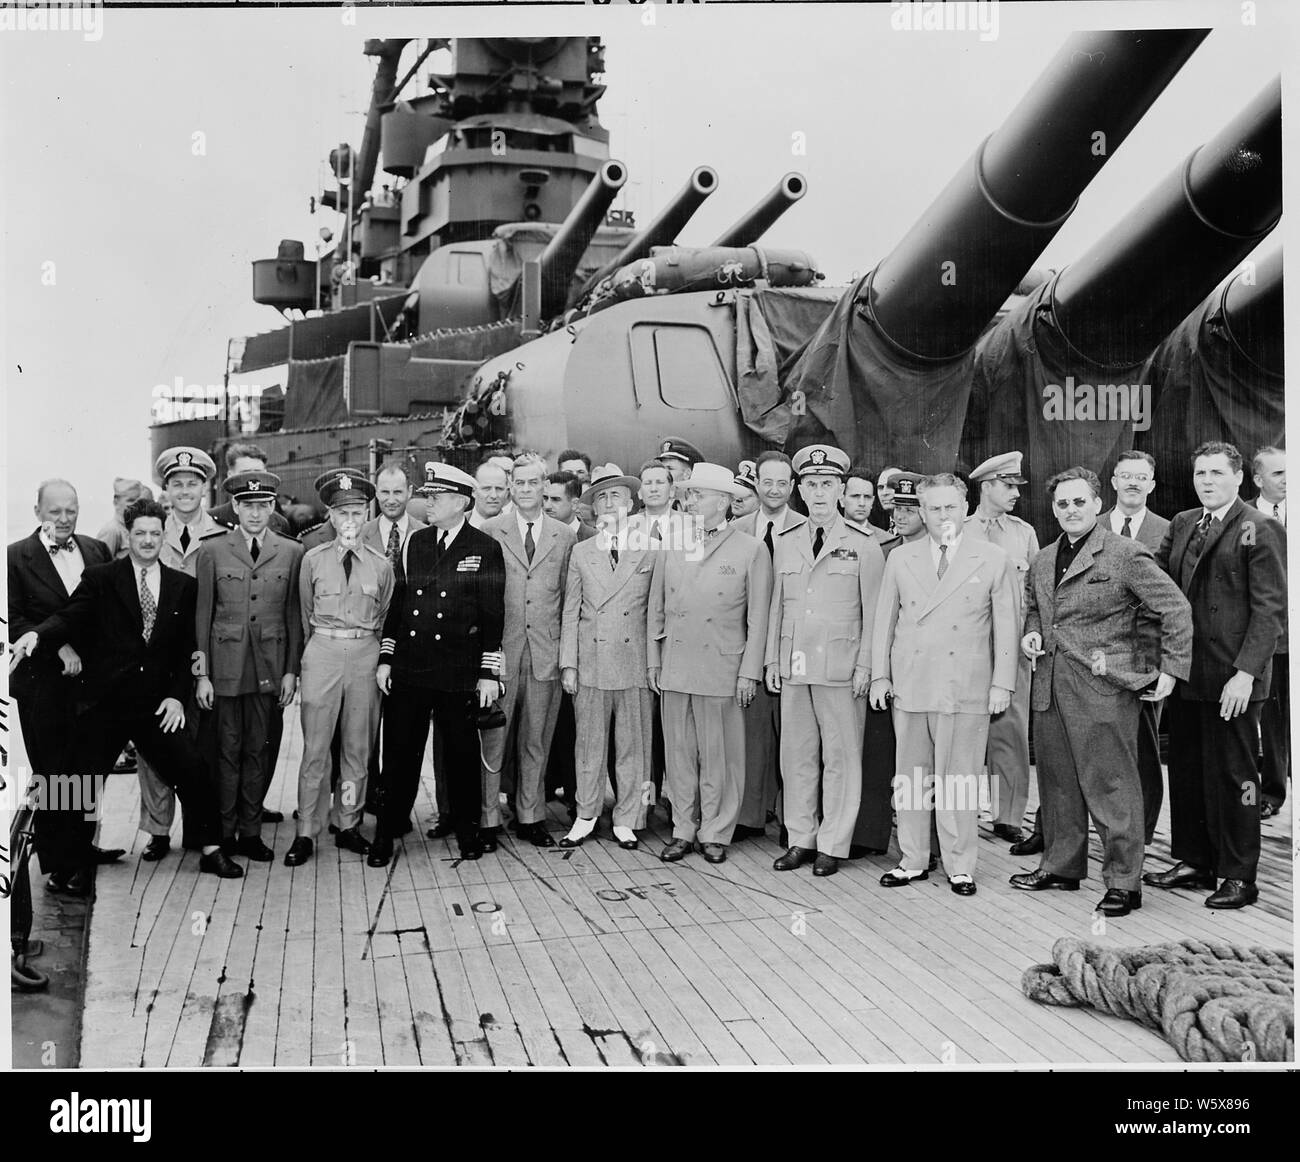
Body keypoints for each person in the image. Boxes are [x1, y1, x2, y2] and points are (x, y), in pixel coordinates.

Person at [11, 498, 242, 883]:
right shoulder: (102, 578)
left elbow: (187, 648)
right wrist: (37, 634)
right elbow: (70, 617)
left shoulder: (182, 586)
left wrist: (175, 696)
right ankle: (72, 864)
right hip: (106, 703)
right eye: (140, 534)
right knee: (79, 781)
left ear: (163, 534)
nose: (148, 541)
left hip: (155, 704)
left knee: (193, 769)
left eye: (155, 533)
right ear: (129, 536)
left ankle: (211, 848)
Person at [1010, 468, 1192, 916]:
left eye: (1078, 502)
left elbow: (1175, 609)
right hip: (1050, 688)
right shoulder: (1044, 558)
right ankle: (1061, 867)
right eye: (1061, 504)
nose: (1070, 510)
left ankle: (1124, 883)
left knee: (1113, 787)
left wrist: (1168, 670)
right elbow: (1037, 610)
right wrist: (1031, 634)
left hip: (1103, 688)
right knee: (1057, 785)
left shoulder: (1126, 554)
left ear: (1097, 504)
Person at [1145, 442, 1286, 909]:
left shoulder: (1261, 528)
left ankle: (1239, 874)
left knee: (1236, 777)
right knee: (1186, 771)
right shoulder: (1184, 523)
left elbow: (1270, 611)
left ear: (1239, 476)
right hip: (1188, 673)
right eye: (1200, 473)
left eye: (1216, 473)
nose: (1207, 481)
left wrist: (1246, 674)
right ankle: (1194, 859)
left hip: (1233, 679)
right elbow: (1159, 585)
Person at [871, 473, 1016, 897]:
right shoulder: (902, 558)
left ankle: (959, 864)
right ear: (922, 512)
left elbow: (1007, 627)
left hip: (965, 685)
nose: (942, 516)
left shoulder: (991, 558)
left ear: (965, 508)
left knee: (959, 779)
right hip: (912, 683)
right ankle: (912, 859)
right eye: (933, 508)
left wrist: (1002, 683)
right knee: (911, 777)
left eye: (950, 507)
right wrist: (881, 674)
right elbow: (885, 621)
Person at [371, 463, 506, 865]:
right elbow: (400, 603)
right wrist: (387, 658)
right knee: (398, 754)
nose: (428, 503)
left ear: (461, 502)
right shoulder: (416, 543)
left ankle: (468, 830)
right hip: (412, 668)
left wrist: (488, 673)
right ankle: (386, 831)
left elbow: (492, 616)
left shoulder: (484, 547)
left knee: (461, 757)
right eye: (428, 496)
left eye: (437, 497)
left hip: (458, 670)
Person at [765, 445, 884, 877]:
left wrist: (867, 668)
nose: (819, 493)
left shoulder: (863, 545)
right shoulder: (786, 541)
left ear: (840, 490)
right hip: (795, 666)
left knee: (840, 758)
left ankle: (833, 842)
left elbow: (874, 614)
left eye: (827, 484)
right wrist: (771, 662)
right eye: (811, 484)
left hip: (841, 667)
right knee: (795, 756)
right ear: (799, 489)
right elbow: (779, 605)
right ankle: (801, 838)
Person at [649, 464, 772, 863]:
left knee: (720, 755)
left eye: (699, 494)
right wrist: (654, 662)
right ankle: (683, 828)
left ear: (724, 502)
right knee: (680, 754)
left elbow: (758, 620)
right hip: (677, 664)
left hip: (721, 668)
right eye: (690, 494)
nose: (691, 500)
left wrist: (750, 671)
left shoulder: (750, 549)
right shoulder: (673, 542)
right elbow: (657, 609)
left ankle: (716, 830)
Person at [8, 480, 116, 895]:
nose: (65, 518)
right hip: (42, 685)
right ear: (38, 511)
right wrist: (58, 646)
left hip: (91, 683)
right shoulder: (15, 557)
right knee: (52, 773)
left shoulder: (94, 549)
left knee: (87, 768)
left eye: (71, 510)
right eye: (56, 512)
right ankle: (57, 866)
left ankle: (82, 849)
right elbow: (13, 619)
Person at [284, 471, 394, 866]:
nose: (350, 520)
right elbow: (304, 613)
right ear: (330, 516)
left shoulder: (381, 566)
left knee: (357, 749)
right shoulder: (311, 560)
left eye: (358, 512)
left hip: (364, 654)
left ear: (368, 514)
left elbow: (382, 618)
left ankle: (348, 823)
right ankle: (306, 832)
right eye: (342, 512)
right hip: (323, 652)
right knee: (315, 750)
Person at [194, 471, 304, 861]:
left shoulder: (291, 551)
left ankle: (251, 832)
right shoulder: (212, 550)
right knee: (227, 749)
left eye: (263, 505)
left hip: (270, 667)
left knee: (259, 748)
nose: (255, 514)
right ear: (235, 508)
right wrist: (202, 674)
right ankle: (224, 832)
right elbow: (202, 617)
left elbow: (294, 617)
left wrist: (291, 671)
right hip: (225, 667)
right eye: (248, 506)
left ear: (273, 507)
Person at [480, 452, 575, 849]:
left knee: (536, 738)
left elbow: (570, 601)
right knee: (494, 740)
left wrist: (565, 657)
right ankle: (487, 818)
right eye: (517, 483)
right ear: (509, 489)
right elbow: (481, 601)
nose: (525, 489)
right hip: (502, 653)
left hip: (545, 654)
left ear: (544, 487)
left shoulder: (564, 535)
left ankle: (530, 815)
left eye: (533, 483)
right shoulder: (490, 530)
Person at [558, 465, 657, 849]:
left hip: (633, 662)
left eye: (617, 496)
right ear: (593, 510)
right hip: (591, 662)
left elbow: (656, 609)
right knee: (589, 744)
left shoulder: (651, 546)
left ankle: (628, 818)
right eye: (602, 497)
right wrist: (569, 663)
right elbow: (570, 610)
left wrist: (654, 664)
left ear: (631, 505)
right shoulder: (581, 551)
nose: (610, 502)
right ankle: (586, 814)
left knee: (634, 745)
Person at [140, 445, 227, 860]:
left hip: (204, 651)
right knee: (155, 746)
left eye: (193, 483)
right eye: (177, 484)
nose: (185, 491)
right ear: (166, 490)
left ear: (205, 488)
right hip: (160, 654)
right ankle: (157, 831)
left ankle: (199, 829)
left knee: (200, 745)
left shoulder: (221, 535)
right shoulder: (152, 533)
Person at [963, 452, 1038, 845]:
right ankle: (957, 812)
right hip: (967, 647)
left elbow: (1035, 592)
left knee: (1010, 728)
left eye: (1017, 487)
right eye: (1008, 486)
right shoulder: (957, 529)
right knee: (962, 731)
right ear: (986, 486)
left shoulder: (1023, 533)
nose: (1015, 494)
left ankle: (1008, 815)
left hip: (1011, 646)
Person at [732, 450, 801, 841]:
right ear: (756, 484)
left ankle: (792, 820)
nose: (774, 490)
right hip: (749, 643)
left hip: (792, 644)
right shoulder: (738, 528)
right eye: (767, 481)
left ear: (792, 487)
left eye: (782, 482)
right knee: (753, 733)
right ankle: (750, 816)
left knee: (794, 738)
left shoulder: (806, 528)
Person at [1250, 445, 1288, 818]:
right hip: (1273, 638)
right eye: (1278, 474)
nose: (1287, 480)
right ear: (1258, 479)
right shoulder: (1245, 520)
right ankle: (1272, 793)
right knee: (1274, 719)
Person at [208, 443, 293, 536]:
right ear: (230, 475)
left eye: (258, 472)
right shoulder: (211, 519)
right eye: (245, 473)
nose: (252, 479)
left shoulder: (279, 523)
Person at [95, 478, 152, 560]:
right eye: (130, 500)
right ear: (116, 501)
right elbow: (99, 566)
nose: (135, 505)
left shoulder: (133, 528)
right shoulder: (112, 530)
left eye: (138, 500)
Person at [544, 470, 596, 540]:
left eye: (555, 499)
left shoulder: (595, 539)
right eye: (545, 498)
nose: (547, 506)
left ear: (575, 504)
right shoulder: (534, 534)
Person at [467, 459, 510, 530]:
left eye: (499, 489)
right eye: (486, 489)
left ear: (507, 492)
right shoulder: (455, 524)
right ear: (473, 491)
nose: (494, 495)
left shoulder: (517, 527)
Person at [558, 450, 594, 526]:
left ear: (588, 474)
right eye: (568, 472)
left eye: (580, 472)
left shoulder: (595, 499)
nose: (575, 476)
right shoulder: (548, 499)